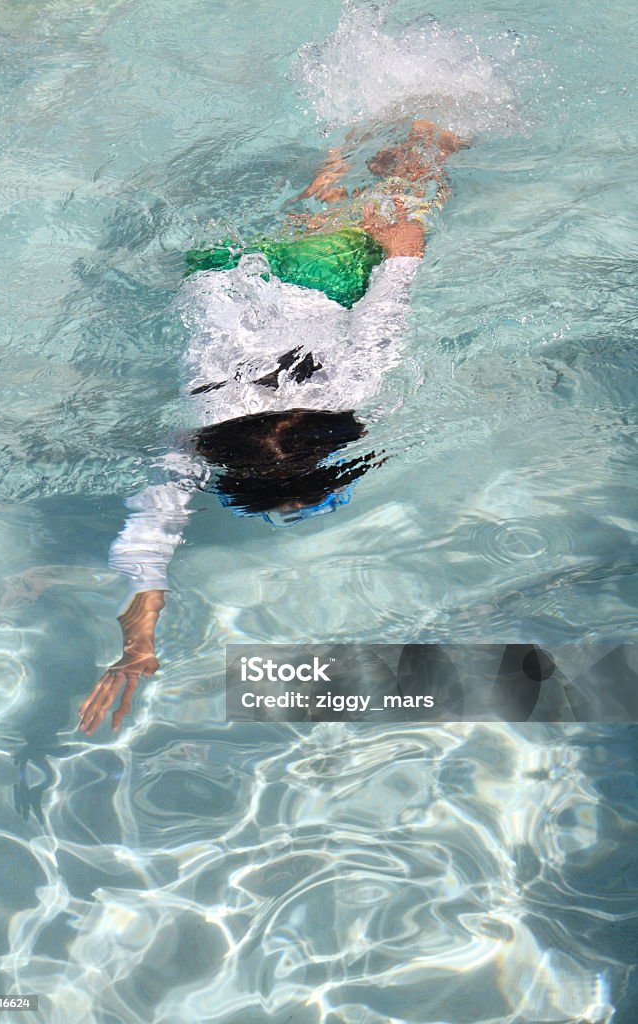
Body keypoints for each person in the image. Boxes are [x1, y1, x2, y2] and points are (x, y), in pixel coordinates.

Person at [78, 120, 466, 735]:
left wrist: (404, 245)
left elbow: (395, 284)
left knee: (410, 191)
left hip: (318, 277)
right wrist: (137, 644)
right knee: (319, 200)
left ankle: (425, 133)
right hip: (216, 271)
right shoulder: (199, 437)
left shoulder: (351, 392)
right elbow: (145, 544)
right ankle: (339, 146)